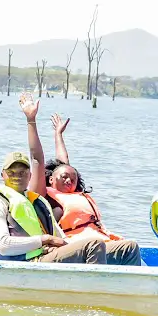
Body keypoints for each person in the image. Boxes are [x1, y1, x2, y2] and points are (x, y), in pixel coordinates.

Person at [0, 93, 135, 265]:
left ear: (29, 176)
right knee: (93, 245)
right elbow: (3, 245)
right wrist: (31, 120)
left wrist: (56, 245)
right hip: (25, 264)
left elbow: (61, 239)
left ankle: (133, 290)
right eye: (12, 172)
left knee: (128, 247)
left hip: (48, 254)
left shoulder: (36, 202)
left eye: (22, 172)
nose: (17, 176)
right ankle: (93, 291)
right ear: (2, 175)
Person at [37, 111, 140, 266]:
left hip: (101, 242)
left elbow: (66, 167)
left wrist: (59, 134)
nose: (68, 180)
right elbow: (57, 163)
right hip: (78, 246)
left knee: (131, 246)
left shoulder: (76, 195)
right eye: (64, 177)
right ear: (51, 179)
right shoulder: (48, 197)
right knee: (129, 248)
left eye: (73, 179)